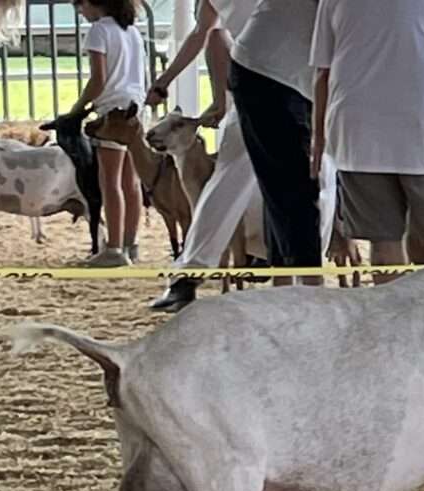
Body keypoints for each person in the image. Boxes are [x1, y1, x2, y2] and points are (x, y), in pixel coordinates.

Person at [310, 0, 424, 285]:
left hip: (357, 132)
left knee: (383, 241)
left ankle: (396, 323)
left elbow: (323, 73)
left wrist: (319, 138)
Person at [145, 0, 269, 311]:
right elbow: (208, 33)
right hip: (278, 82)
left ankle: (192, 272)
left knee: (230, 180)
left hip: (270, 82)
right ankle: (288, 265)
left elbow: (208, 34)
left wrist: (217, 96)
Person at [228, 0, 326, 287]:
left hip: (279, 67)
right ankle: (308, 288)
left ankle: (287, 284)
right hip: (265, 68)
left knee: (285, 187)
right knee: (293, 185)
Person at [67, 0, 146, 268]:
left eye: (80, 6)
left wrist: (77, 109)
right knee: (130, 182)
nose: (80, 12)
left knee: (109, 182)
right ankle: (130, 243)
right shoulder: (132, 31)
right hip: (134, 107)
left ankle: (113, 248)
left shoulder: (99, 31)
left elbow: (98, 79)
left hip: (112, 110)